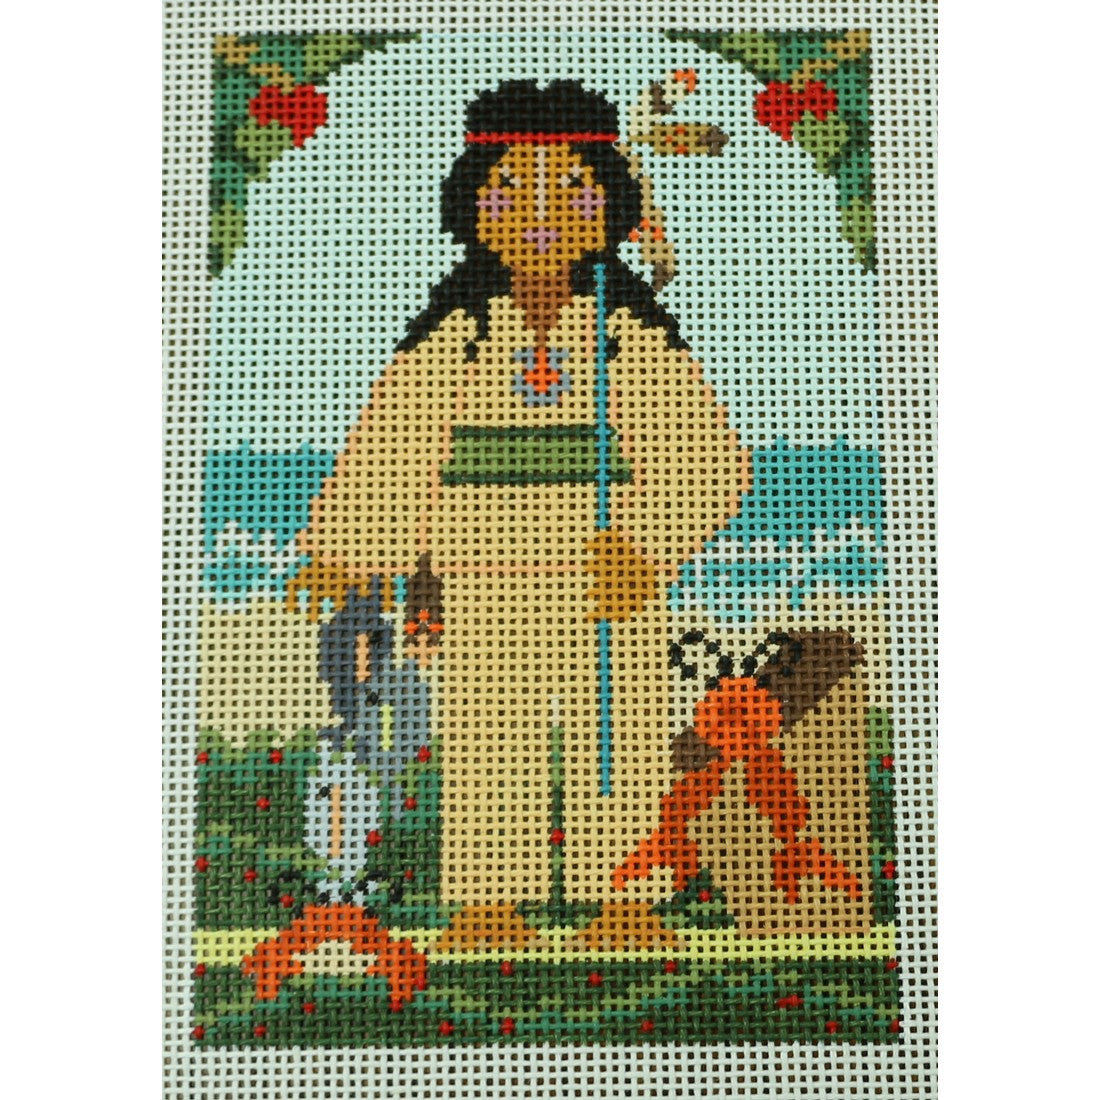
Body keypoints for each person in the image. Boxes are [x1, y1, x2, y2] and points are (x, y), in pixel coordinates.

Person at [294, 79, 748, 946]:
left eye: (571, 190)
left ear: (612, 207)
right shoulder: (456, 335)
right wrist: (348, 549)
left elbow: (705, 455)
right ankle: (488, 901)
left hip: (607, 580)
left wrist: (648, 546)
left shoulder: (626, 335)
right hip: (478, 578)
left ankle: (624, 900)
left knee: (620, 737)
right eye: (511, 191)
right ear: (472, 205)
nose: (541, 216)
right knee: (487, 738)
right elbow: (398, 444)